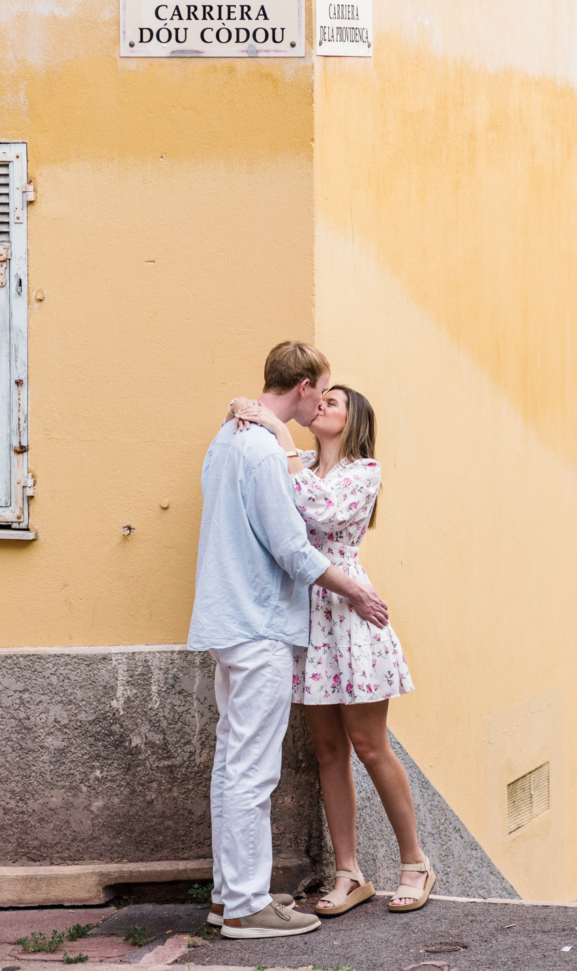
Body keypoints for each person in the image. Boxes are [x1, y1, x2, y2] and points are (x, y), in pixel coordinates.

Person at [187, 341, 390, 942]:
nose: (320, 404)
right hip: (260, 623)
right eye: (320, 390)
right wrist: (353, 590)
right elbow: (293, 549)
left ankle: (229, 897)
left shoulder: (226, 440)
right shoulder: (263, 451)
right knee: (252, 771)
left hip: (229, 621)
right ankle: (249, 906)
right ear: (301, 387)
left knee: (232, 765)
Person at [230, 383, 435, 916]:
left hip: (349, 613)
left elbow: (320, 513)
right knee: (328, 752)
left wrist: (280, 434)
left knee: (370, 746)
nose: (321, 405)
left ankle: (415, 863)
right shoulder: (295, 464)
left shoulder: (363, 471)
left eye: (333, 402)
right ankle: (350, 873)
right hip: (307, 615)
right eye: (319, 399)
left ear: (354, 421)